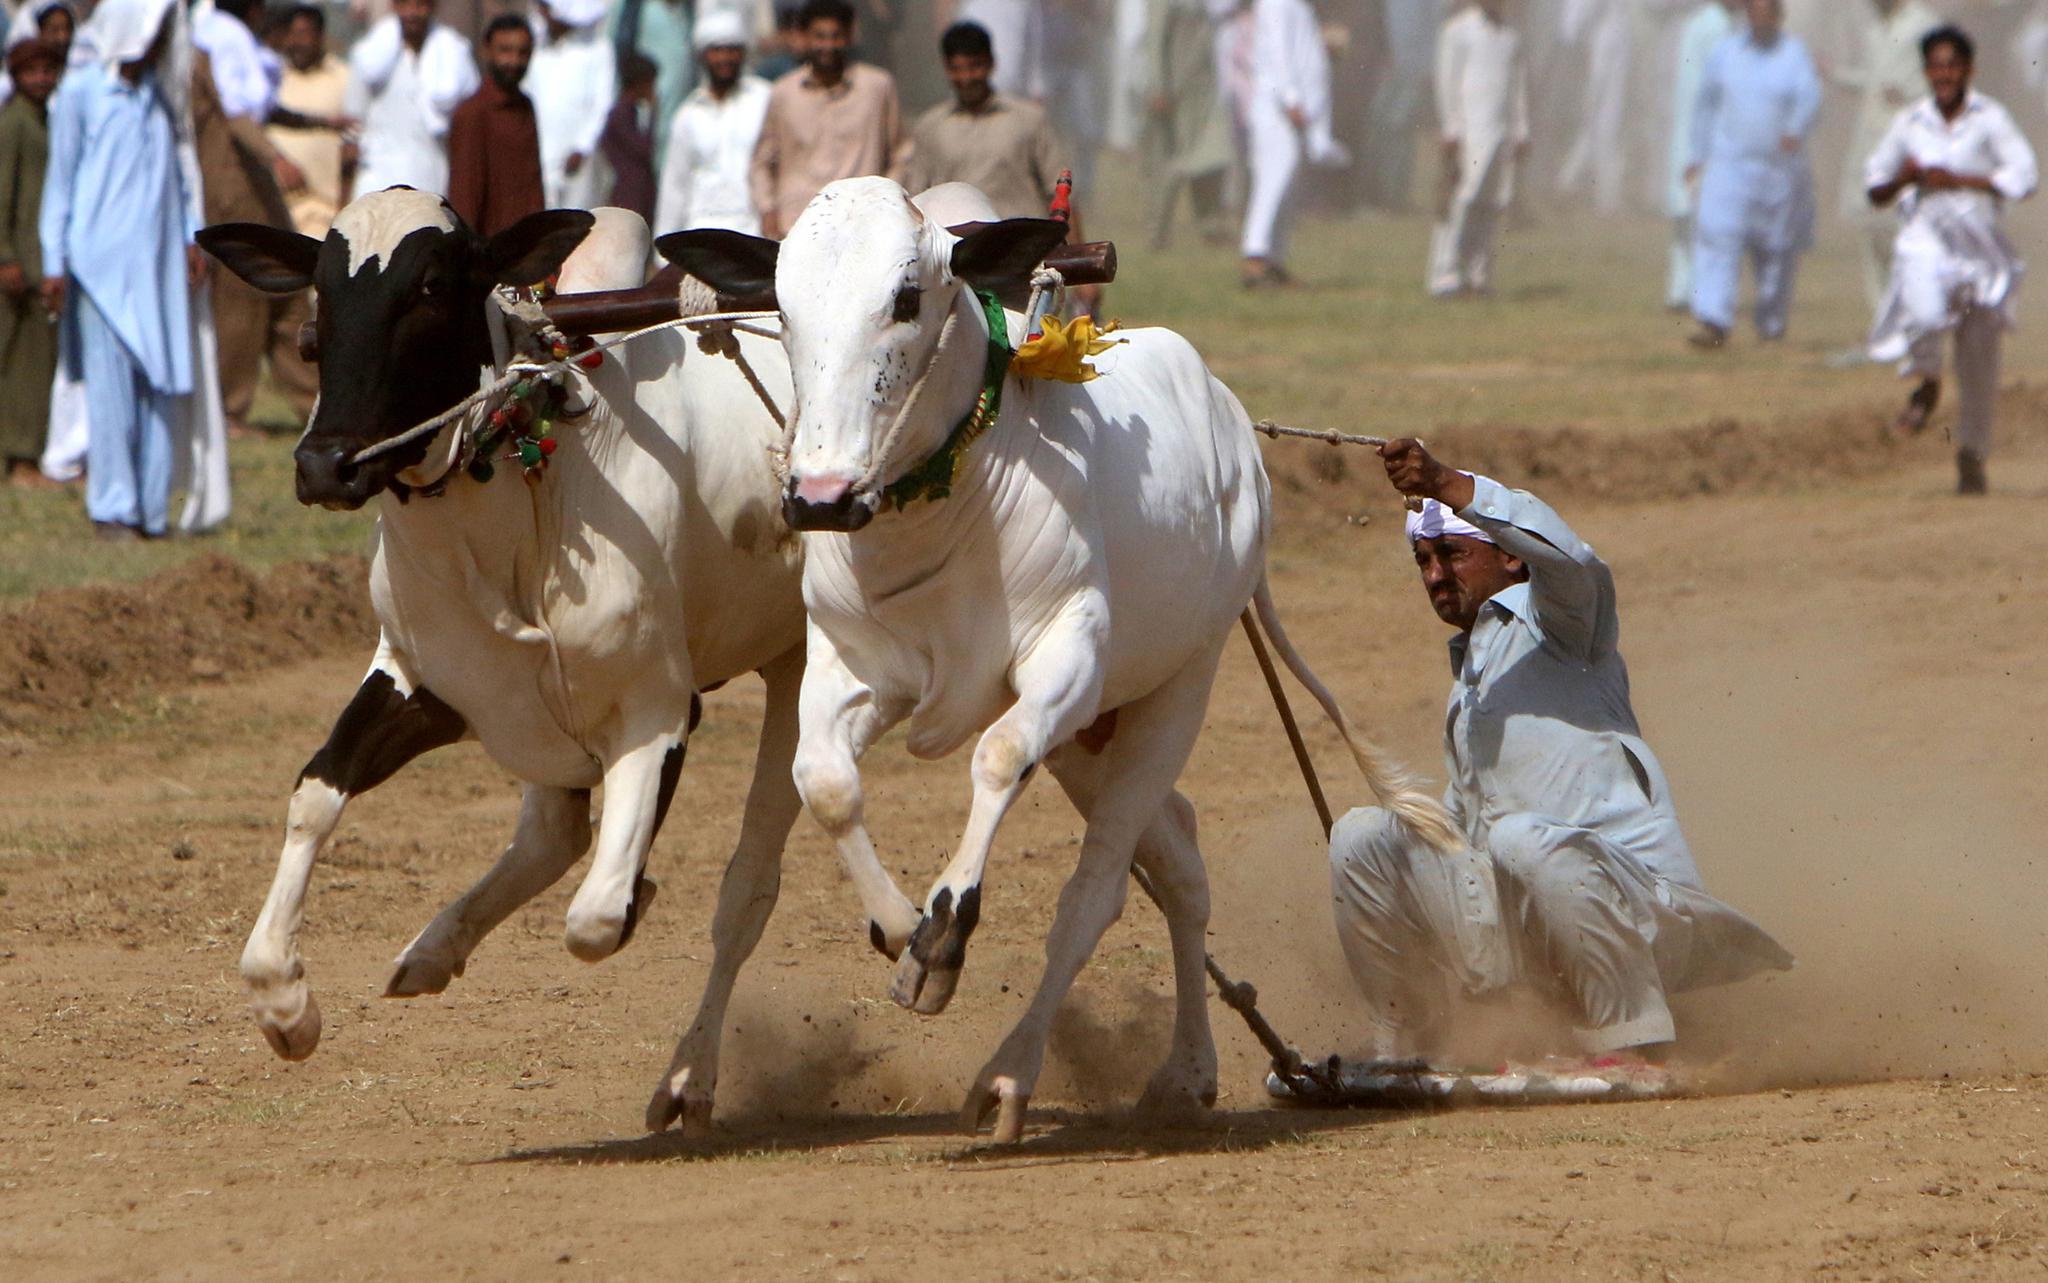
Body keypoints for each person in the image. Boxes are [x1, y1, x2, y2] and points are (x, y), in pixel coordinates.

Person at [1324, 437, 1793, 1078]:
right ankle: (1408, 1043)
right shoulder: (1469, 690)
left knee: (1522, 838)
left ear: (1513, 561)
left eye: (1452, 554)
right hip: (1533, 930)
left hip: (1643, 912)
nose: (1434, 575)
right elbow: (1464, 840)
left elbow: (1574, 561)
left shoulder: (1568, 628)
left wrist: (1447, 481)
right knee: (1362, 835)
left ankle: (1634, 1043)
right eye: (1423, 559)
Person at [41, 0, 207, 539]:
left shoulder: (160, 100)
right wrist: (54, 261)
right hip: (98, 268)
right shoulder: (82, 92)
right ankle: (113, 508)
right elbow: (60, 184)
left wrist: (190, 238)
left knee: (161, 384)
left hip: (157, 269)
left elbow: (181, 182)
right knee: (110, 395)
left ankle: (152, 511)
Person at [1865, 24, 2037, 495]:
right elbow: (1876, 187)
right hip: (1926, 239)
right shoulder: (1910, 122)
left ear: (1967, 69)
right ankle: (1926, 380)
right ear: (1926, 71)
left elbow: (2024, 175)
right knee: (1920, 307)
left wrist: (1962, 180)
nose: (1943, 74)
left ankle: (1972, 456)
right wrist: (1908, 177)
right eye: (1935, 65)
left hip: (1981, 253)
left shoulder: (1990, 119)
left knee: (1980, 369)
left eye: (1951, 65)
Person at [192, 0, 318, 435]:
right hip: (231, 180)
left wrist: (317, 122)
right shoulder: (221, 36)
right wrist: (276, 157)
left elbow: (261, 108)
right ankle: (230, 409)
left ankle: (315, 403)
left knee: (291, 288)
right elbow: (236, 115)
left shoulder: (235, 38)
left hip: (254, 179)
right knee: (240, 298)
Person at [1684, 0, 1822, 348]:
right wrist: (1696, 154)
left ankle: (1771, 321)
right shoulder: (1727, 53)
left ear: (1778, 16)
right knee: (1718, 236)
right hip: (1729, 164)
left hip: (1777, 170)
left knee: (1774, 250)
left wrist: (1795, 127)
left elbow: (1809, 96)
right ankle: (1713, 320)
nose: (1759, 18)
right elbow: (1706, 104)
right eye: (1754, 10)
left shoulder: (1793, 55)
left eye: (1767, 11)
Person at [749, 0, 905, 239]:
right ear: (804, 37)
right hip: (797, 227)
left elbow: (902, 154)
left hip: (862, 227)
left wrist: (884, 204)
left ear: (850, 36)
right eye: (819, 36)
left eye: (836, 36)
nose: (828, 45)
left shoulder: (877, 88)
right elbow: (762, 162)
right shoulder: (784, 93)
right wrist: (768, 212)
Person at [1835, 0, 1944, 309]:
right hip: (1871, 142)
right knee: (1871, 232)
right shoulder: (1874, 31)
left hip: (1908, 142)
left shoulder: (1924, 23)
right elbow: (1871, 80)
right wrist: (1835, 74)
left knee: (1905, 231)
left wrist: (1912, 95)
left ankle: (1913, 313)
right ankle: (1884, 319)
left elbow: (1945, 76)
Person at [901, 21, 1064, 218]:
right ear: (946, 67)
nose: (966, 78)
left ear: (991, 62)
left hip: (1023, 241)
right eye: (957, 69)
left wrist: (1076, 247)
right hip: (957, 245)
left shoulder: (1029, 120)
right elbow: (915, 201)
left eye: (974, 66)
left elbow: (1060, 193)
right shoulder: (930, 126)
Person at [1238, 0, 1344, 288]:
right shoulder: (1276, 4)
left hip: (1292, 113)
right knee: (1272, 183)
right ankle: (1255, 258)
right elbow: (1278, 53)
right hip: (1278, 112)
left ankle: (1273, 260)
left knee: (1286, 189)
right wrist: (1291, 99)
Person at [1428, 0, 1528, 298]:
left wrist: (1522, 129)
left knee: (1492, 203)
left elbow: (1518, 86)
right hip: (1469, 132)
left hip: (1500, 131)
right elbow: (1447, 81)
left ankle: (1478, 275)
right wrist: (1451, 127)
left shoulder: (1511, 37)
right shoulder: (1458, 31)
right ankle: (1445, 274)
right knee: (1461, 201)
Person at [0, 38, 60, 487]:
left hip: (38, 260)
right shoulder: (14, 123)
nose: (41, 78)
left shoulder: (44, 119)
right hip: (19, 260)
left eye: (48, 69)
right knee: (21, 364)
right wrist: (6, 258)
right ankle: (20, 458)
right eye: (31, 71)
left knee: (32, 361)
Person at [343, 0, 478, 198]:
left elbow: (469, 119)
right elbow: (352, 122)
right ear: (394, 6)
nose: (413, 12)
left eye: (421, 4)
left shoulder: (455, 51)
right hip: (378, 180)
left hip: (431, 178)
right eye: (405, 3)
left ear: (433, 7)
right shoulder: (370, 55)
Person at [654, 8, 771, 235]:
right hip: (701, 232)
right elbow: (675, 185)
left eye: (731, 50)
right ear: (702, 56)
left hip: (755, 230)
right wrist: (663, 250)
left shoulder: (764, 99)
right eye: (716, 50)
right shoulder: (688, 114)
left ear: (743, 53)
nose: (724, 58)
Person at [1136, 0, 1233, 247]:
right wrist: (1159, 85)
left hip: (1204, 88)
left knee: (1211, 158)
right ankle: (1157, 233)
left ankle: (1211, 225)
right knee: (1167, 165)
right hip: (1173, 92)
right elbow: (1155, 37)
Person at [1665, 0, 1737, 311]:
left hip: (1690, 132)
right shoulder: (1718, 27)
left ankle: (1681, 290)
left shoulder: (1700, 23)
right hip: (1703, 135)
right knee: (1700, 219)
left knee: (1686, 219)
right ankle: (1691, 290)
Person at [446, 14, 544, 236]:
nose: (514, 61)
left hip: (526, 248)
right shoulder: (472, 113)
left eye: (523, 52)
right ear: (487, 50)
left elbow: (533, 185)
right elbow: (465, 196)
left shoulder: (525, 106)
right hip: (489, 253)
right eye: (505, 50)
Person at [267, 5, 351, 241]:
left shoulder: (343, 78)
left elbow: (353, 146)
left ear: (320, 36)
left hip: (324, 211)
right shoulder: (272, 77)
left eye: (303, 33)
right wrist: (278, 162)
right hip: (277, 210)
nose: (296, 41)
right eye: (291, 34)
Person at [527, 0, 615, 210]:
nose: (542, 13)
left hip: (578, 157)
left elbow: (603, 105)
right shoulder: (537, 46)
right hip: (539, 152)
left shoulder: (598, 49)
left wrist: (582, 147)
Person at [1361, 0, 1441, 212]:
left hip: (1414, 69)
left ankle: (1394, 197)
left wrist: (1429, 67)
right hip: (1386, 68)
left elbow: (1436, 24)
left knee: (1399, 128)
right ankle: (1375, 196)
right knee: (1378, 127)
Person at [1556, 0, 1631, 215]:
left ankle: (1578, 185)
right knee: (1600, 120)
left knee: (1603, 121)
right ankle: (1582, 187)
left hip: (1608, 39)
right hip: (1599, 41)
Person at [600, 52, 659, 220]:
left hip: (637, 195)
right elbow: (643, 149)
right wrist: (654, 114)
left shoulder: (632, 113)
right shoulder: (621, 114)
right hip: (625, 196)